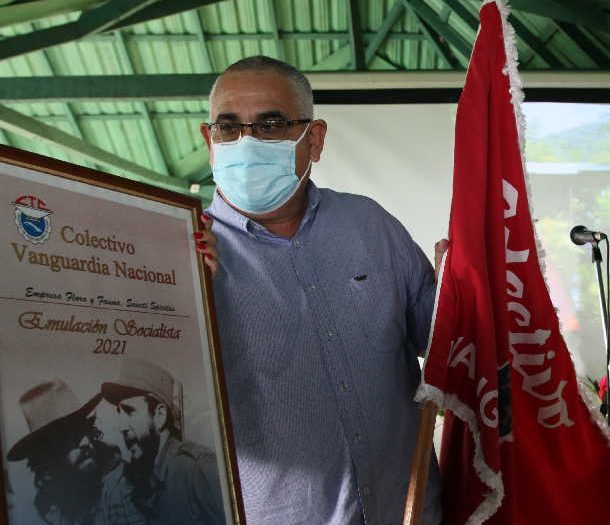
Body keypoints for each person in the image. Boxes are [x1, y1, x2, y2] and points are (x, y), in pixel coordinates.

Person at [192, 55, 443, 524]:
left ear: (315, 138)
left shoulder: (370, 225)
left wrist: (466, 288)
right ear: (210, 141)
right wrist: (181, 302)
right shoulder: (183, 255)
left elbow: (446, 346)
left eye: (270, 124)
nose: (246, 143)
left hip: (409, 511)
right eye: (229, 128)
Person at [101, 358, 224, 525]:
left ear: (160, 416)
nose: (121, 426)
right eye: (118, 413)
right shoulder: (124, 480)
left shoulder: (198, 471)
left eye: (130, 412)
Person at [5, 380, 137, 525]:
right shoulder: (49, 505)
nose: (85, 442)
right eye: (70, 438)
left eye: (84, 429)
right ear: (46, 458)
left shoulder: (121, 485)